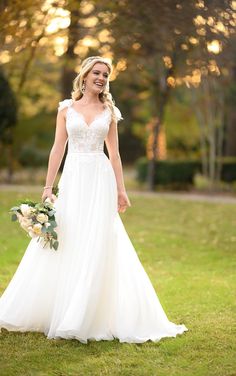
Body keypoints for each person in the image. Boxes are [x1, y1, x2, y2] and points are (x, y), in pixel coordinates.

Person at [0, 56, 188, 343]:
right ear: (85, 76)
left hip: (101, 180)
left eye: (105, 74)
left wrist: (122, 190)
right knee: (67, 236)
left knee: (98, 239)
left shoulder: (110, 111)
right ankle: (57, 308)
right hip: (73, 178)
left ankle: (87, 313)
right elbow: (56, 149)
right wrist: (48, 186)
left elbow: (114, 154)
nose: (101, 78)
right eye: (96, 73)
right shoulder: (66, 109)